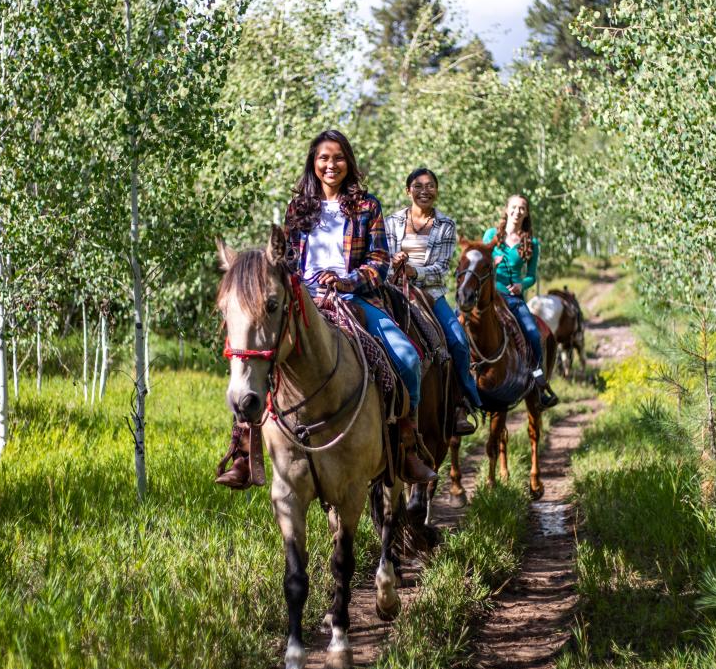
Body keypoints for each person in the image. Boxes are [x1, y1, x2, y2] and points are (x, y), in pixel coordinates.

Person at [216, 130, 436, 488]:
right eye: (323, 158)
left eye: (338, 158)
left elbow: (379, 260)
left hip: (354, 299)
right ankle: (243, 450)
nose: (330, 165)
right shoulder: (298, 208)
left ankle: (408, 446)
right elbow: (286, 263)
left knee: (407, 358)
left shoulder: (367, 206)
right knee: (257, 355)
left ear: (348, 162)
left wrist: (349, 280)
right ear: (313, 163)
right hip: (303, 302)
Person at [387, 167, 480, 436]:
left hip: (431, 294)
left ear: (436, 191)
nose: (424, 191)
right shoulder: (392, 222)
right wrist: (395, 265)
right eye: (418, 186)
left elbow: (441, 268)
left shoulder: (446, 225)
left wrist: (415, 271)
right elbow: (384, 259)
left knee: (459, 342)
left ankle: (462, 402)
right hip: (395, 291)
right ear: (408, 191)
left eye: (430, 186)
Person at [482, 194, 559, 408]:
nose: (517, 211)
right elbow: (479, 261)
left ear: (526, 214)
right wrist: (491, 264)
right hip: (489, 296)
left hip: (513, 298)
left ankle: (538, 381)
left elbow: (531, 275)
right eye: (514, 207)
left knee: (533, 334)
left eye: (522, 208)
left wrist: (521, 286)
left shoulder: (531, 242)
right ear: (506, 210)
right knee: (461, 323)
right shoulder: (490, 234)